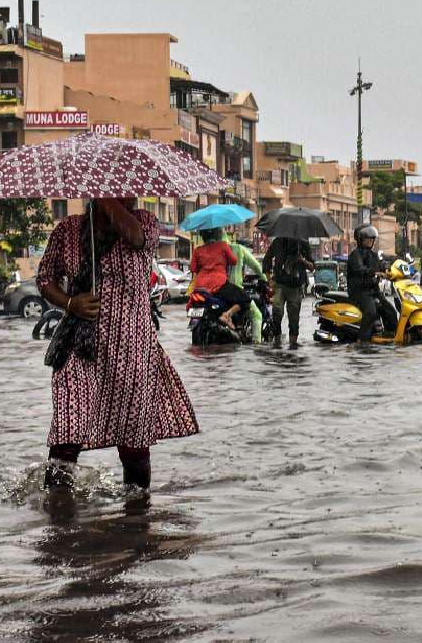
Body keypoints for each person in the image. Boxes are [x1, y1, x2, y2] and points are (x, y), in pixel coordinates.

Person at [36, 199, 198, 515]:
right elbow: (44, 279)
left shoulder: (145, 223)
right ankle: (57, 520)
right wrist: (70, 303)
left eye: (128, 191)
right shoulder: (68, 230)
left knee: (133, 441)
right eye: (121, 191)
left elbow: (135, 237)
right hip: (80, 346)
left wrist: (108, 202)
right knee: (67, 430)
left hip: (132, 350)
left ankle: (136, 518)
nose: (130, 196)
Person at [190, 229, 250, 330]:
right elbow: (234, 261)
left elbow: (193, 268)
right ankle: (227, 315)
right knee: (245, 298)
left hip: (200, 287)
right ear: (217, 235)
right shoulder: (222, 246)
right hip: (219, 285)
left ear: (202, 237)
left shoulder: (197, 250)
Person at [347, 225, 398, 342]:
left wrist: (388, 269)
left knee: (390, 311)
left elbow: (381, 264)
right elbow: (360, 269)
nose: (370, 241)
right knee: (370, 312)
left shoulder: (373, 255)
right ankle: (362, 340)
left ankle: (391, 335)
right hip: (359, 292)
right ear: (360, 239)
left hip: (373, 291)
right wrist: (374, 272)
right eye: (367, 238)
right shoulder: (355, 255)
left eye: (372, 238)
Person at [262, 236, 313, 348]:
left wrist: (302, 260)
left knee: (294, 318)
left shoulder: (303, 243)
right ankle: (277, 341)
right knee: (277, 312)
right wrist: (269, 280)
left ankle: (293, 343)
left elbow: (312, 266)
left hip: (295, 287)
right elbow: (266, 260)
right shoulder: (278, 242)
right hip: (279, 284)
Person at [227, 237, 265, 344]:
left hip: (214, 290)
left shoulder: (210, 249)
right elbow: (256, 266)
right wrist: (266, 279)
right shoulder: (238, 249)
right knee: (256, 315)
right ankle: (256, 343)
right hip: (235, 290)